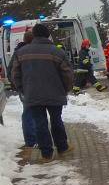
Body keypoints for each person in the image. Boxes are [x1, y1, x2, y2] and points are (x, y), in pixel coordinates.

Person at [10, 23, 74, 162]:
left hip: (32, 94)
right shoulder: (57, 52)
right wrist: (65, 89)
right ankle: (62, 147)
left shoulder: (22, 52)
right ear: (47, 35)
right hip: (55, 93)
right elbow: (67, 74)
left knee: (40, 123)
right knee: (56, 120)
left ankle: (46, 154)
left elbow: (15, 74)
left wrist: (23, 88)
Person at [9, 31, 38, 160]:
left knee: (29, 112)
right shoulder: (26, 52)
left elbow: (11, 72)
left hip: (24, 88)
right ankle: (32, 140)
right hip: (28, 88)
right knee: (29, 113)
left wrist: (18, 85)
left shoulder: (18, 52)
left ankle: (32, 139)